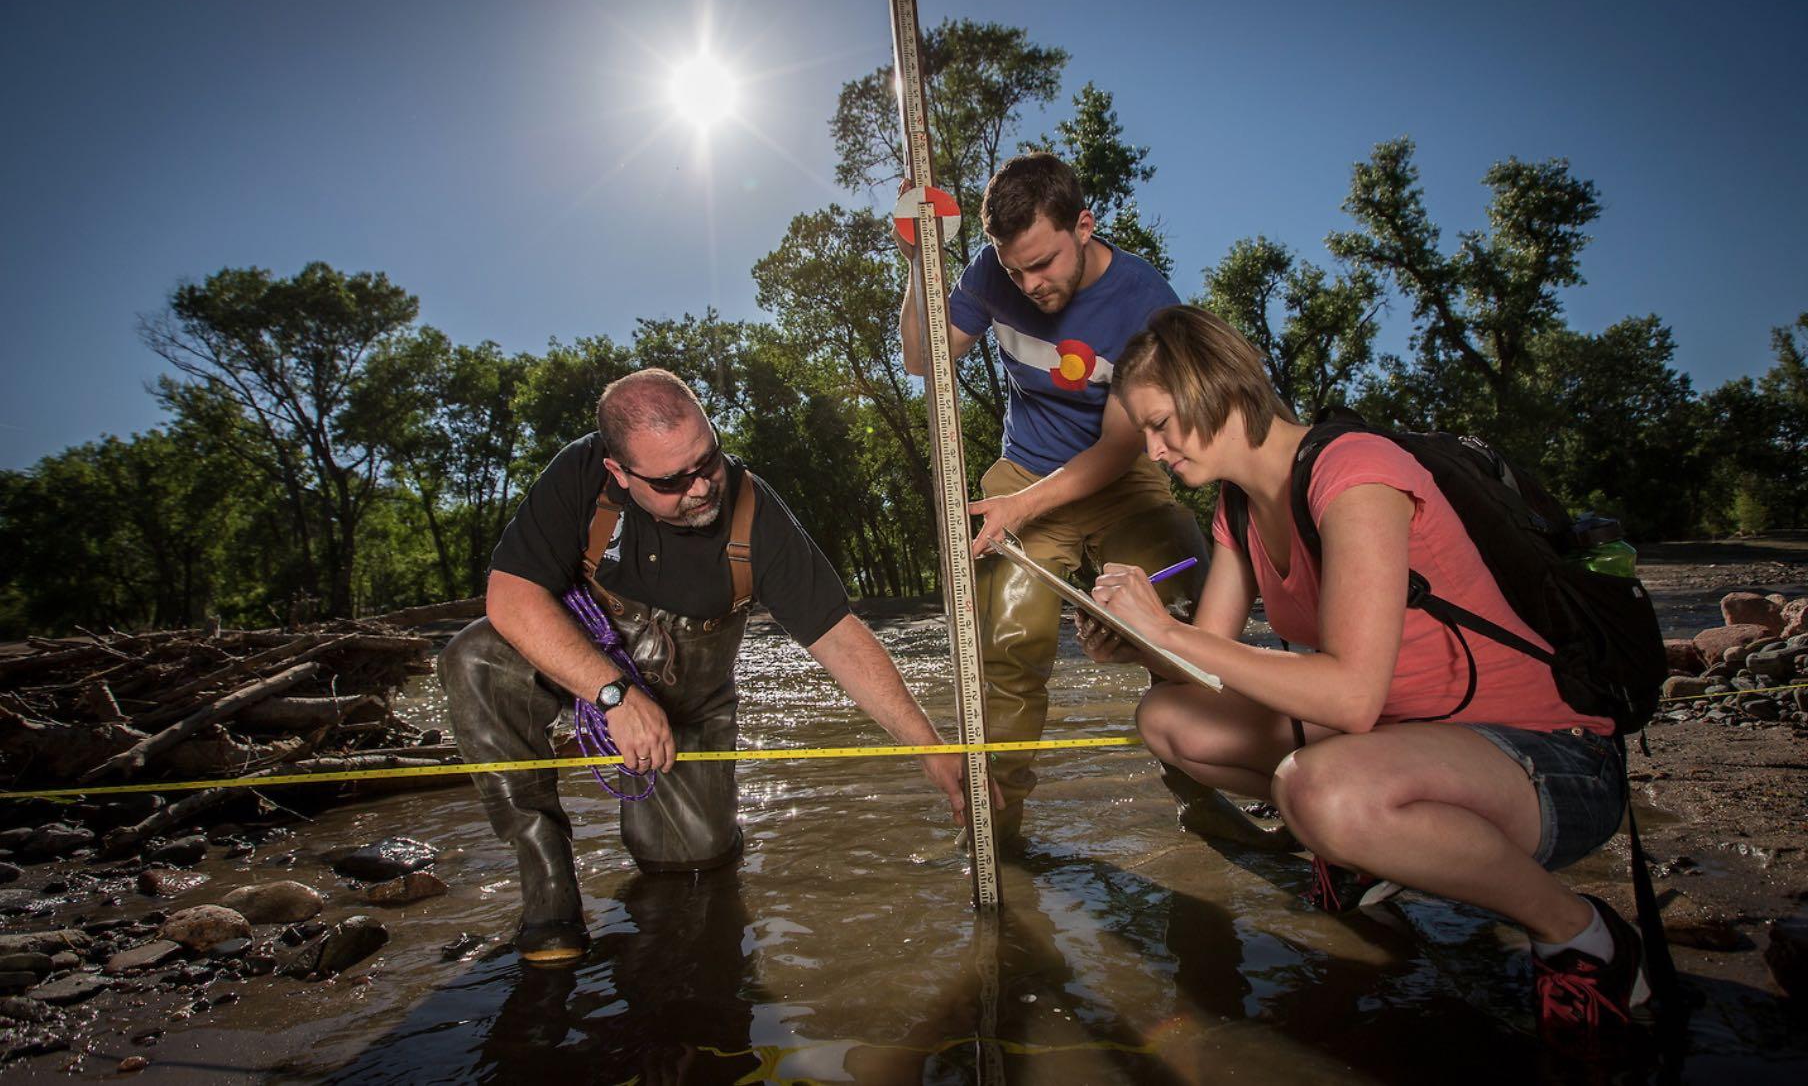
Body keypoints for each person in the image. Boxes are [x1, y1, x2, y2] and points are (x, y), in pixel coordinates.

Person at [1079, 304, 1646, 1041]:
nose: (1152, 451)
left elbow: (1348, 696)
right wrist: (1137, 641)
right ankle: (1373, 852)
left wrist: (1166, 627)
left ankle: (1581, 932)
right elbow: (1202, 665)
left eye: (1160, 425)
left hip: (1556, 757)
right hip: (1412, 734)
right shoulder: (1239, 508)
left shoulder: (1355, 471)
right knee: (1168, 720)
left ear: (1215, 389)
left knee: (1316, 791)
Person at [442, 369, 968, 963]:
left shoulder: (755, 511)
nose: (699, 488)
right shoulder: (581, 476)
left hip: (690, 709)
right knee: (474, 657)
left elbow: (838, 637)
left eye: (707, 461)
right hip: (589, 672)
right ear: (619, 472)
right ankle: (548, 886)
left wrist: (927, 746)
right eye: (671, 480)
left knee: (694, 876)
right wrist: (612, 696)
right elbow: (510, 597)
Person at [896, 152, 1207, 840]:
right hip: (1023, 472)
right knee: (1008, 641)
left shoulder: (1145, 301)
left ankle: (1211, 805)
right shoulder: (989, 272)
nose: (1031, 284)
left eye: (1044, 264)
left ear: (1085, 226)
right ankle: (996, 833)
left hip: (1121, 481)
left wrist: (1022, 508)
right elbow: (923, 359)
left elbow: (1119, 449)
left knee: (1185, 617)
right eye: (1015, 270)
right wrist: (920, 263)